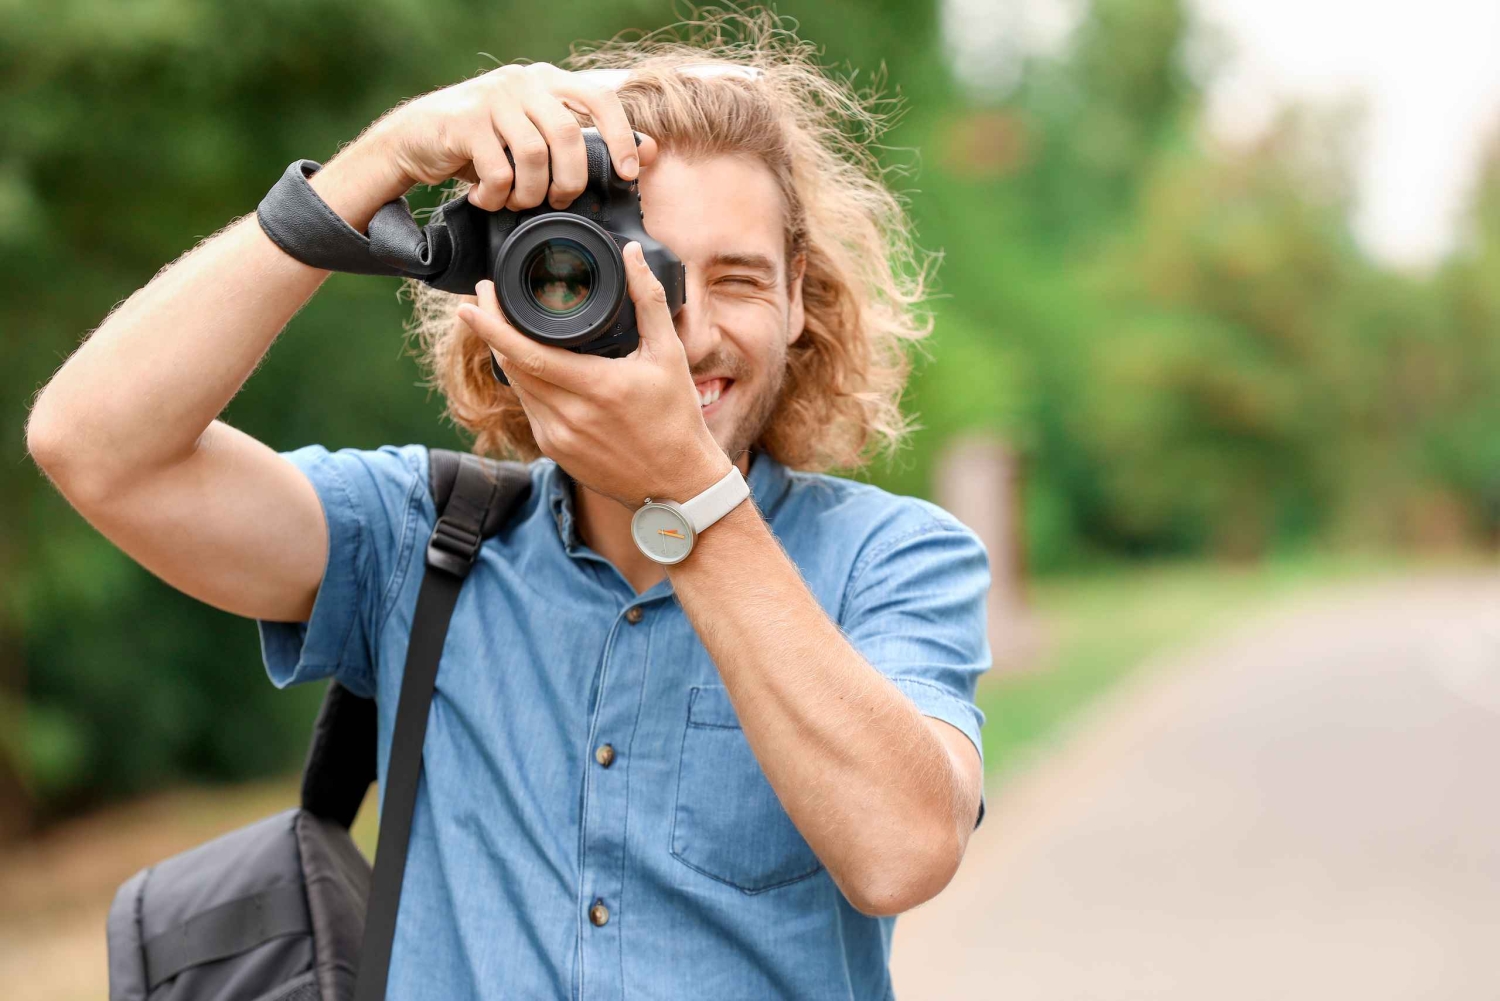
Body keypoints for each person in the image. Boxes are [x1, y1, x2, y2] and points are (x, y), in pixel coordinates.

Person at [26, 15, 990, 999]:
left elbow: (903, 851)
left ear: (799, 301)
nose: (679, 326)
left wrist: (689, 499)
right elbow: (94, 446)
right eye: (629, 272)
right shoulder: (419, 540)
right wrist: (377, 162)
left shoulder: (893, 557)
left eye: (736, 279)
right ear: (525, 289)